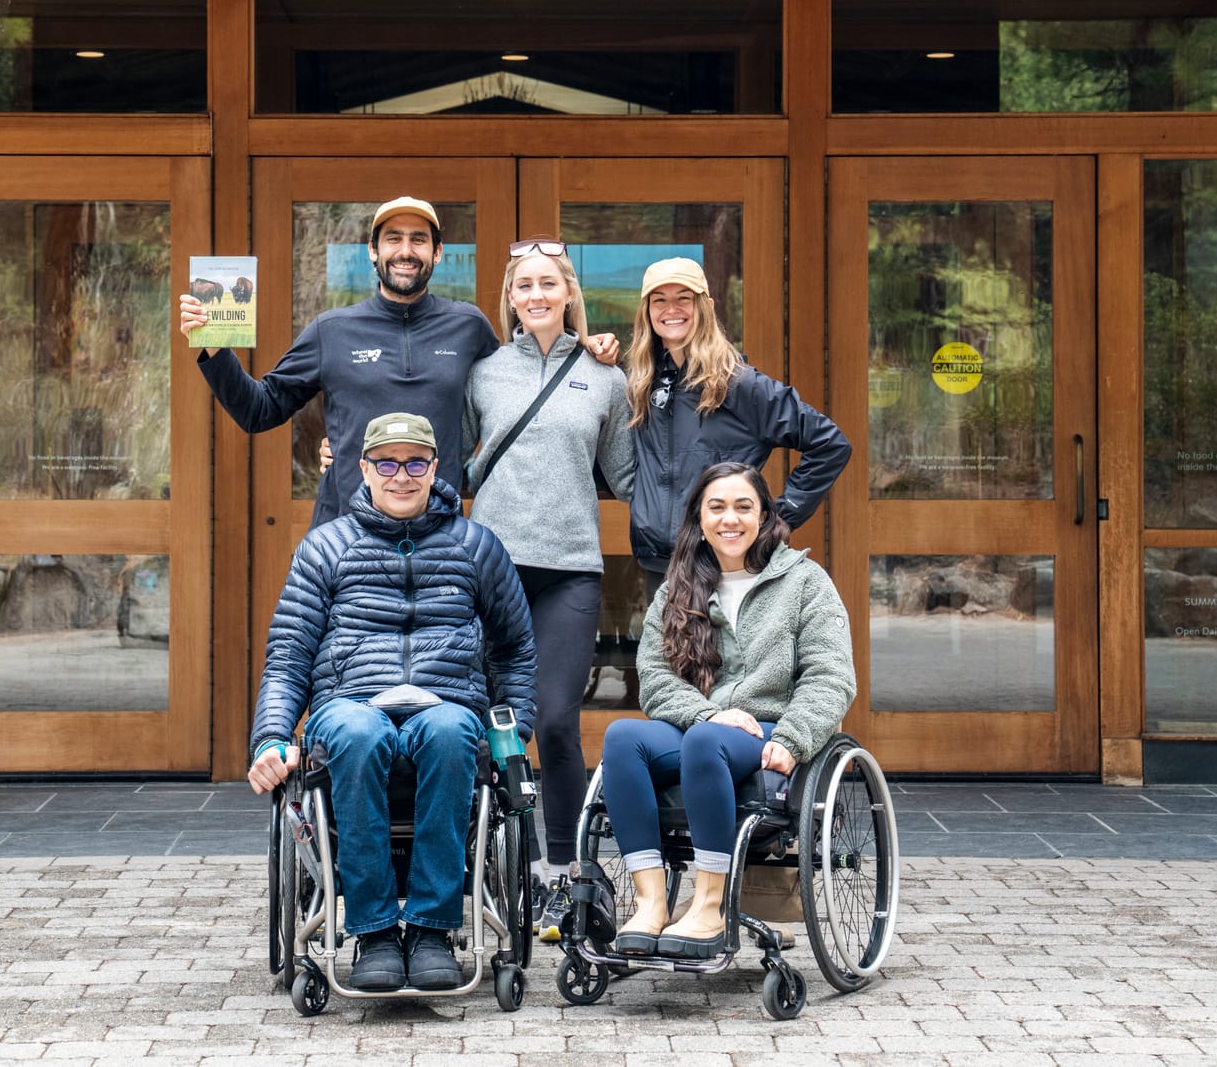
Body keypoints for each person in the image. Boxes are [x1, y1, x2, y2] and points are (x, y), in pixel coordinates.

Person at [245, 412, 536, 993]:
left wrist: (515, 730)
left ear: (434, 468)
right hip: (350, 703)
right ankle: (375, 932)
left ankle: (431, 930)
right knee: (355, 734)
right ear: (365, 469)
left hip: (446, 705)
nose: (401, 476)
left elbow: (515, 648)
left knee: (455, 732)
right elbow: (288, 657)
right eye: (387, 463)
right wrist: (272, 739)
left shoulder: (476, 546)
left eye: (414, 463)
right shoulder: (325, 548)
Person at [180, 197, 617, 528]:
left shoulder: (468, 327)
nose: (405, 250)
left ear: (437, 252)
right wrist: (214, 348)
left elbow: (523, 385)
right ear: (373, 251)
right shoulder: (332, 330)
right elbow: (259, 410)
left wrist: (584, 351)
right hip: (347, 531)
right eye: (393, 238)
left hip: (438, 532)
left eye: (418, 240)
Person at [599, 461, 857, 959]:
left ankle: (709, 904)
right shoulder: (678, 587)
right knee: (622, 738)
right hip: (703, 727)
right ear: (700, 516)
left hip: (767, 730)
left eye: (743, 506)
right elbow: (654, 678)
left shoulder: (804, 582)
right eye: (716, 507)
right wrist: (705, 713)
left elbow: (831, 675)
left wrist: (794, 736)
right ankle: (652, 902)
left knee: (703, 741)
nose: (729, 519)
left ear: (764, 516)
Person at [461, 237, 635, 943]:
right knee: (495, 729)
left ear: (568, 292)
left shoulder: (606, 376)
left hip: (569, 571)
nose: (535, 294)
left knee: (557, 722)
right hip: (490, 571)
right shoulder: (482, 374)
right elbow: (454, 464)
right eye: (523, 284)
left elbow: (628, 475)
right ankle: (495, 869)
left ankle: (560, 875)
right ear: (510, 296)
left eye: (548, 283)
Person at [626, 256, 851, 594]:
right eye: (660, 300)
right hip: (659, 565)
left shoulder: (738, 383)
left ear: (706, 306)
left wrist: (773, 519)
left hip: (722, 565)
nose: (671, 309)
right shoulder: (644, 383)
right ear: (646, 312)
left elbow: (830, 444)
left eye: (683, 298)